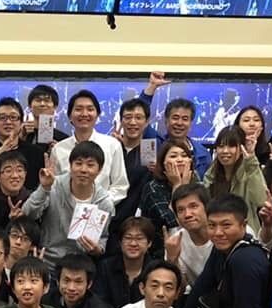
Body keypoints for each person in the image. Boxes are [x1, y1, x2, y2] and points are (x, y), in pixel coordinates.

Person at [184, 194, 269, 308]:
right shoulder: (221, 247)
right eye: (212, 225)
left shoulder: (245, 260)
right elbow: (201, 286)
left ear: (244, 225)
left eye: (226, 225)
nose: (218, 233)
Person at [22, 141, 114, 272]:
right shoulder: (53, 185)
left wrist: (97, 249)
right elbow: (27, 214)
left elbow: (102, 239)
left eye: (90, 165)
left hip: (79, 268)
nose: (83, 170)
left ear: (99, 170)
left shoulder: (104, 203)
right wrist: (44, 188)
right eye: (78, 163)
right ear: (70, 166)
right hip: (47, 263)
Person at [50, 89, 129, 205]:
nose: (84, 114)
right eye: (78, 109)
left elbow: (120, 186)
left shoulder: (112, 145)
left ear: (97, 115)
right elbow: (55, 186)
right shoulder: (58, 149)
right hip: (67, 211)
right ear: (70, 116)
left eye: (90, 109)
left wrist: (99, 203)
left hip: (101, 210)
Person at [204, 125, 268, 234]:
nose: (225, 151)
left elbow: (261, 200)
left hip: (245, 233)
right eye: (221, 146)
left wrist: (251, 161)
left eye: (231, 146)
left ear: (242, 148)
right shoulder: (211, 173)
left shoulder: (250, 170)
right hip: (216, 233)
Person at [0, 97, 45, 193]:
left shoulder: (35, 152)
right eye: (2, 118)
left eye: (13, 117)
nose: (8, 122)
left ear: (21, 122)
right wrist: (3, 149)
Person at [111, 97, 154, 255]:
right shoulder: (110, 147)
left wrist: (156, 171)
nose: (133, 122)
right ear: (121, 121)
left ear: (147, 122)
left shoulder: (150, 151)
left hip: (135, 224)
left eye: (138, 118)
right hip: (108, 217)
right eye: (128, 117)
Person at [141, 139, 198, 252]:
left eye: (184, 155)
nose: (180, 160)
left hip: (193, 248)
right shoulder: (153, 188)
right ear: (163, 163)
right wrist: (178, 186)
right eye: (173, 156)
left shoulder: (198, 186)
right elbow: (172, 222)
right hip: (160, 250)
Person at [140, 96, 212, 177]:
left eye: (185, 119)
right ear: (166, 121)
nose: (179, 123)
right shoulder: (151, 144)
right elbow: (140, 119)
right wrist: (148, 93)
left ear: (191, 123)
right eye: (175, 118)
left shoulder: (203, 153)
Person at [94, 216, 154, 308]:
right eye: (128, 238)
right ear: (120, 242)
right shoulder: (105, 267)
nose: (133, 243)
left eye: (139, 238)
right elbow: (99, 303)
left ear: (149, 243)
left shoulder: (156, 270)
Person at [166, 183, 213, 289]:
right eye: (181, 210)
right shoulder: (174, 242)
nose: (187, 214)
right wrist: (173, 260)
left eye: (193, 206)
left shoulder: (228, 233)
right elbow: (180, 289)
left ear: (207, 208)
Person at [20, 84, 69, 153]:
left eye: (47, 100)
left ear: (55, 107)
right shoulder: (21, 134)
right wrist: (21, 139)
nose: (42, 104)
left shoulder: (64, 140)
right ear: (30, 106)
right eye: (38, 100)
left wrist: (58, 153)